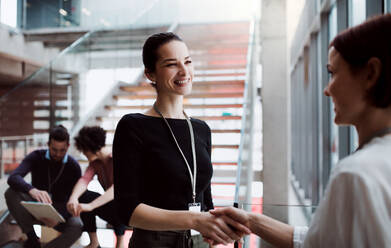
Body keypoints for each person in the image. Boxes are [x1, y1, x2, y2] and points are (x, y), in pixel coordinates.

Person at [210, 14, 391, 248]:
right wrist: (252, 221)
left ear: (370, 74)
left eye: (333, 73)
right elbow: (323, 240)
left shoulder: (356, 175)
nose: (328, 90)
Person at [113, 32, 250, 248]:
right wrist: (194, 219)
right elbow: (126, 210)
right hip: (154, 242)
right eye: (171, 64)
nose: (184, 71)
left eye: (187, 61)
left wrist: (221, 232)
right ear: (151, 74)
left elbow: (206, 200)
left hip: (199, 241)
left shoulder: (201, 129)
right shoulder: (133, 126)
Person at [4, 125, 83, 248]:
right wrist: (32, 190)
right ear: (48, 144)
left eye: (62, 150)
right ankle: (33, 240)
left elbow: (74, 198)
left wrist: (58, 217)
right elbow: (13, 177)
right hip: (36, 206)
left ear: (68, 146)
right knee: (10, 193)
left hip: (60, 212)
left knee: (77, 225)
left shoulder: (74, 167)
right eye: (54, 149)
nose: (58, 154)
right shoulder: (36, 156)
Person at [67, 126, 127, 248]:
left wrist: (91, 206)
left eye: (84, 150)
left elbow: (118, 189)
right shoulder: (95, 163)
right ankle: (94, 243)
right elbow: (84, 180)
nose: (83, 153)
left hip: (127, 207)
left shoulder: (118, 157)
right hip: (111, 207)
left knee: (120, 201)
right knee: (83, 196)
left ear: (90, 147)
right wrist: (73, 197)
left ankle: (120, 243)